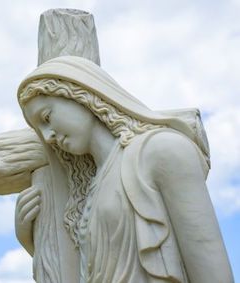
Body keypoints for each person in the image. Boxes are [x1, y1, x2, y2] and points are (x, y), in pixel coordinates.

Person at [15, 56, 233, 282]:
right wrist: (30, 240)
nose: (48, 137)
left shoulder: (160, 150)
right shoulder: (89, 191)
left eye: (47, 117)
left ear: (79, 94)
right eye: (41, 131)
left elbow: (208, 259)